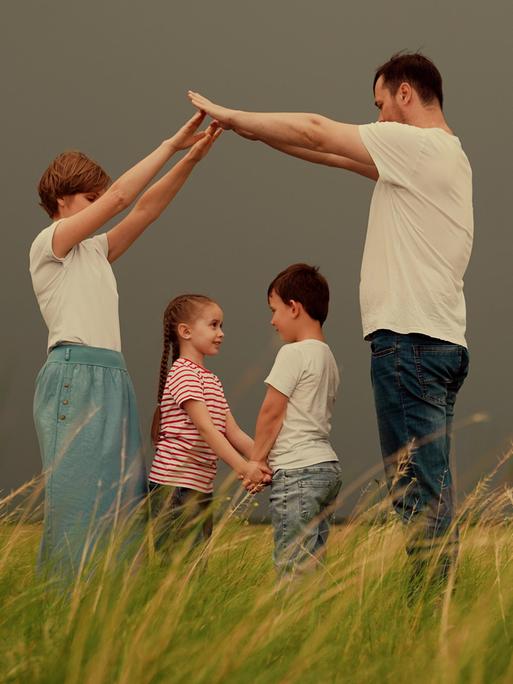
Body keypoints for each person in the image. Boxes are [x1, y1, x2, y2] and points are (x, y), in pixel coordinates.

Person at [188, 52, 473, 579]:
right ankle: (437, 612)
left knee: (417, 495)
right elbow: (326, 153)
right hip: (438, 344)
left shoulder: (417, 144)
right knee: (429, 486)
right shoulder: (445, 158)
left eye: (380, 104)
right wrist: (248, 132)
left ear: (404, 93)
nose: (379, 118)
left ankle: (432, 618)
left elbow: (318, 131)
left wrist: (230, 113)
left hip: (410, 345)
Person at [30, 113, 221, 576]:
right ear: (61, 200)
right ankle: (61, 607)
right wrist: (171, 144)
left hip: (113, 378)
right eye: (88, 199)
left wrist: (190, 159)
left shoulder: (94, 252)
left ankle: (111, 609)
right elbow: (121, 197)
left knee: (121, 501)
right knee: (77, 504)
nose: (100, 206)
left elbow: (146, 209)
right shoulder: (49, 244)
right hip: (75, 376)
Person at [148, 294, 272, 554]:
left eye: (221, 326)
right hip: (174, 489)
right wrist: (242, 468)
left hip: (199, 490)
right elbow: (206, 429)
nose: (221, 333)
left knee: (194, 566)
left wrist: (265, 463)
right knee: (177, 570)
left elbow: (233, 432)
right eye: (214, 325)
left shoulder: (211, 380)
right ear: (186, 331)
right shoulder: (183, 373)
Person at [241, 264, 342, 575]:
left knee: (291, 567)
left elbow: (271, 412)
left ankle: (289, 623)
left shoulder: (292, 354)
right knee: (312, 563)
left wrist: (255, 463)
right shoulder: (328, 357)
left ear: (294, 308)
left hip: (297, 472)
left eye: (275, 310)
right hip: (326, 469)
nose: (272, 320)